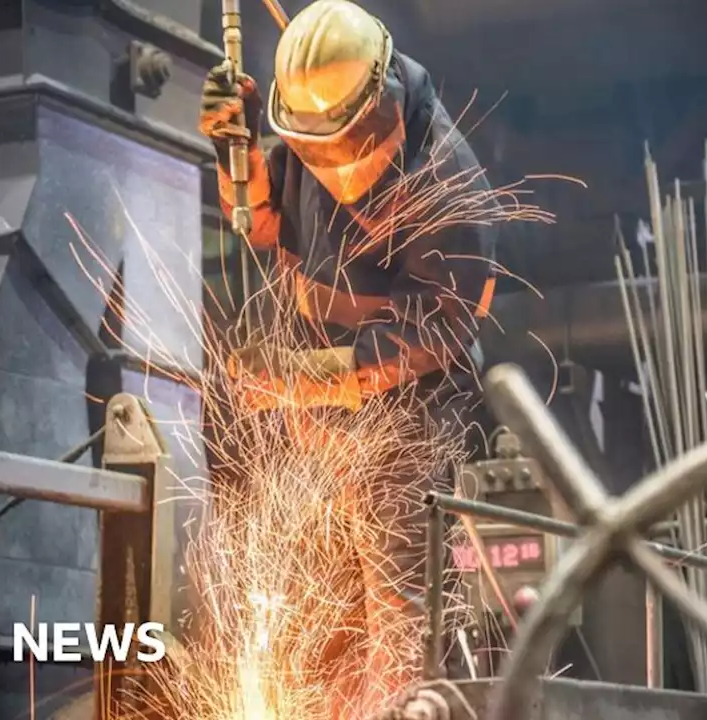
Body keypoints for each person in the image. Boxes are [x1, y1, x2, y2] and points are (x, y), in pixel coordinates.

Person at [198, 0, 496, 702]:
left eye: (342, 147)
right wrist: (231, 152)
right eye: (312, 151)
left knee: (397, 616)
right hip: (319, 416)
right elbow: (266, 227)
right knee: (314, 611)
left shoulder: (451, 187)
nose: (333, 168)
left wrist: (314, 375)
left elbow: (438, 333)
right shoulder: (309, 135)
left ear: (384, 98)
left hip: (408, 420)